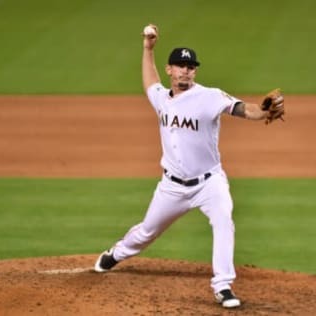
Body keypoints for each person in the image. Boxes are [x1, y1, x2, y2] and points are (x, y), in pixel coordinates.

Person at [94, 24, 284, 309]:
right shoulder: (161, 98)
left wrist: (263, 111)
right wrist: (148, 49)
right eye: (180, 66)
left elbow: (245, 109)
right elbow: (149, 82)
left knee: (223, 221)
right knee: (147, 231)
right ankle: (117, 253)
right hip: (171, 186)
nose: (186, 71)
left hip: (210, 183)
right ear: (170, 70)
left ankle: (223, 286)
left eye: (191, 67)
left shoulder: (210, 96)